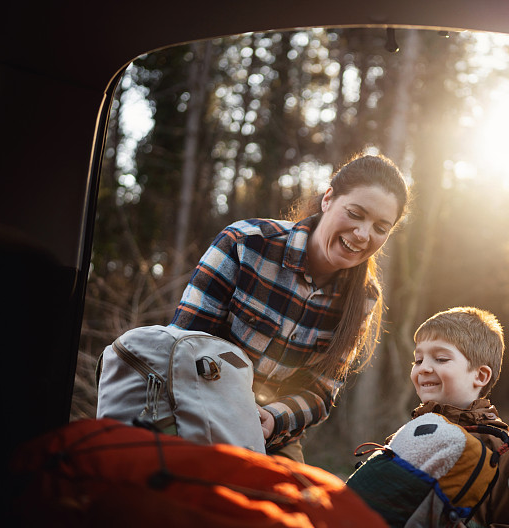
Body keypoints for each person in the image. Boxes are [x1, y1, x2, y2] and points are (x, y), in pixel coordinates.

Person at [169, 153, 409, 462]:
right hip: (196, 410)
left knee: (300, 505)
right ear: (328, 199)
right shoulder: (244, 244)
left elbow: (321, 393)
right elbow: (182, 344)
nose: (363, 235)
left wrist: (273, 417)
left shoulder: (364, 297)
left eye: (380, 227)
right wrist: (233, 407)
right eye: (355, 213)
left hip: (273, 435)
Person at [407, 306, 509, 528]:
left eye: (441, 358)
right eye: (417, 360)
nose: (423, 368)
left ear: (480, 376)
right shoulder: (404, 436)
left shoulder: (501, 447)